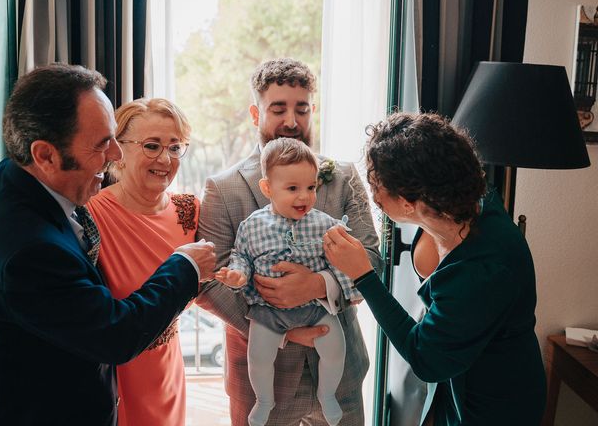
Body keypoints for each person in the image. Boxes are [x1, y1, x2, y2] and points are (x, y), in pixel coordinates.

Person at [0, 64, 216, 425]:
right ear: (45, 155)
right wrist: (184, 266)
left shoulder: (7, 178)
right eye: (101, 144)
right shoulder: (30, 251)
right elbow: (117, 335)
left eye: (114, 138)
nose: (115, 155)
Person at [324, 112, 547, 425]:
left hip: (495, 404)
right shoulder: (457, 204)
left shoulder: (485, 267)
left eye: (376, 186)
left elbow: (425, 359)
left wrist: (363, 276)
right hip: (457, 378)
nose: (373, 196)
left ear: (408, 202)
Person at [197, 58, 382, 425]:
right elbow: (208, 281)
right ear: (255, 113)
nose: (291, 121)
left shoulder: (342, 176)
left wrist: (319, 284)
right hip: (261, 378)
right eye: (278, 108)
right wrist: (282, 330)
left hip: (341, 374)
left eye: (302, 108)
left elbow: (372, 258)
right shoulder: (224, 187)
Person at [216, 138, 362, 426]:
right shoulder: (252, 225)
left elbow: (350, 258)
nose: (304, 197)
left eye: (310, 187)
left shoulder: (324, 223)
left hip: (315, 309)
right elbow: (241, 256)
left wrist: (336, 282)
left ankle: (327, 394)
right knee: (258, 358)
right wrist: (237, 275)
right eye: (293, 189)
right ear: (268, 189)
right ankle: (264, 400)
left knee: (336, 349)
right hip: (267, 312)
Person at [86, 98, 196, 425]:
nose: (165, 159)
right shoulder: (92, 215)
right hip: (114, 377)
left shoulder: (190, 212)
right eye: (151, 146)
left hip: (168, 376)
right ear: (118, 150)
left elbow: (219, 287)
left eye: (175, 148)